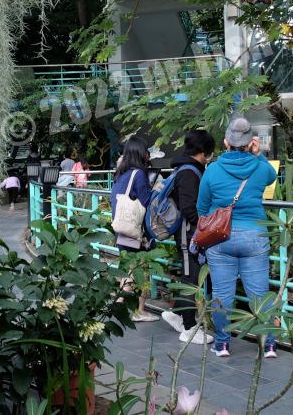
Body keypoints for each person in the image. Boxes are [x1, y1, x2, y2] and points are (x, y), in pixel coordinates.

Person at [197, 117, 278, 359]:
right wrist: (259, 154)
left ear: (225, 142)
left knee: (222, 293)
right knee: (259, 293)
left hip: (220, 238)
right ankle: (269, 344)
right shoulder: (259, 167)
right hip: (254, 234)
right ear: (250, 143)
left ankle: (222, 344)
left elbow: (202, 208)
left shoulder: (212, 170)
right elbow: (272, 177)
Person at [160, 130, 216, 345]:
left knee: (189, 276)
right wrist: (205, 225)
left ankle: (179, 316)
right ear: (203, 151)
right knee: (191, 278)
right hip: (188, 233)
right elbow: (188, 207)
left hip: (189, 232)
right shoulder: (189, 172)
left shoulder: (184, 169)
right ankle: (189, 328)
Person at [109, 136, 159, 322]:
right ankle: (138, 310)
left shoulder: (121, 173)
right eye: (146, 151)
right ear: (141, 153)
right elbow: (147, 200)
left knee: (128, 269)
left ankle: (121, 305)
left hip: (121, 227)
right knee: (140, 269)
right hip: (135, 230)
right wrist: (158, 189)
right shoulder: (138, 174)